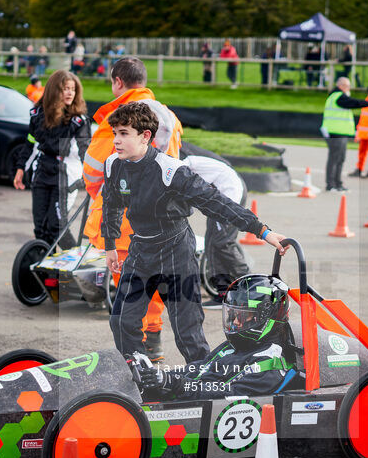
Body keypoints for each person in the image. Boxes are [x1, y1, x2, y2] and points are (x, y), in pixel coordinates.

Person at [101, 102, 287, 364]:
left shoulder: (171, 171)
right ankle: (137, 373)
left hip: (175, 250)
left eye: (123, 134)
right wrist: (110, 245)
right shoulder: (113, 165)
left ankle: (204, 384)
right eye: (115, 133)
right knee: (121, 321)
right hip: (141, 250)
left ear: (145, 137)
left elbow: (218, 203)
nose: (116, 141)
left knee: (188, 332)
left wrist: (263, 231)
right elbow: (111, 206)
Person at [82, 56, 184, 362]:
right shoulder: (169, 117)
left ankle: (134, 354)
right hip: (161, 215)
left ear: (117, 82)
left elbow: (92, 170)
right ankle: (152, 343)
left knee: (130, 287)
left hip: (126, 220)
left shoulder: (119, 116)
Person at [129, 275, 305, 401]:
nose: (235, 322)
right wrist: (159, 375)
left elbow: (226, 391)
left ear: (267, 318)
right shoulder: (236, 346)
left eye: (244, 317)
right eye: (233, 314)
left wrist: (177, 384)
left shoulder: (268, 364)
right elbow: (201, 368)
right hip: (192, 398)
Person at [13, 70, 91, 250]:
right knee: (40, 229)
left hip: (65, 177)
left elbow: (85, 151)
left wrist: (92, 176)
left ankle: (73, 272)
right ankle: (47, 275)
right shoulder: (37, 114)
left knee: (56, 228)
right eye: (65, 89)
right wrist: (20, 168)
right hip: (42, 173)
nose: (70, 93)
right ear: (55, 91)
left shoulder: (78, 121)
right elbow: (31, 143)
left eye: (73, 89)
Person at [179, 152, 250, 308]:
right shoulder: (184, 164)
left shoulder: (184, 165)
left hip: (229, 194)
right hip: (217, 199)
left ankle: (250, 283)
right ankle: (223, 293)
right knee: (211, 243)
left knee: (223, 242)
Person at [321, 77, 368, 192]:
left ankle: (337, 183)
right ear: (342, 86)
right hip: (335, 133)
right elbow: (353, 103)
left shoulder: (336, 96)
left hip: (340, 132)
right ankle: (331, 184)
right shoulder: (338, 96)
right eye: (348, 86)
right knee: (335, 158)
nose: (349, 88)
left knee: (340, 158)